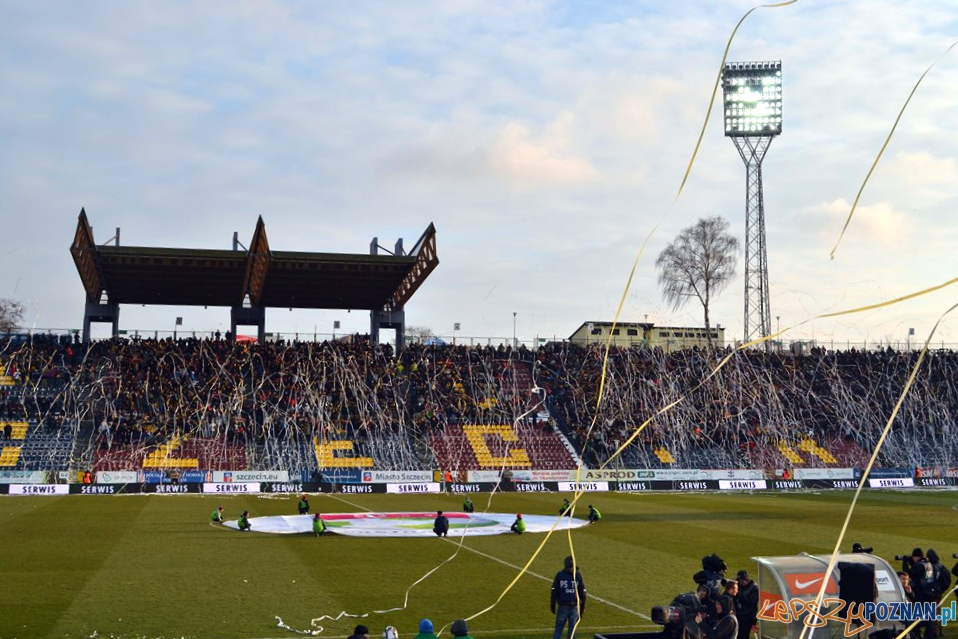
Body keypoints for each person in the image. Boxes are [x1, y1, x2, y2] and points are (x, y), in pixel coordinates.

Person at [551, 555, 586, 639]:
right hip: (574, 607)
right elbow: (583, 593)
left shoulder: (560, 575)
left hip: (563, 606)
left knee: (558, 629)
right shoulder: (578, 576)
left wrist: (552, 604)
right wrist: (582, 607)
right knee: (572, 631)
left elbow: (554, 591)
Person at [734, 570, 758, 639]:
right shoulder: (738, 586)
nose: (740, 582)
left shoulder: (754, 588)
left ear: (747, 579)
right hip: (737, 615)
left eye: (742, 580)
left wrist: (738, 594)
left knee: (743, 635)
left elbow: (750, 602)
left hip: (747, 617)